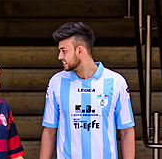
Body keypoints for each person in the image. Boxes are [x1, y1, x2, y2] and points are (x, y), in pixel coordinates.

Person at [39, 22, 135, 159]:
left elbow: (126, 131)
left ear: (80, 51)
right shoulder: (56, 82)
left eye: (64, 51)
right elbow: (49, 131)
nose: (59, 57)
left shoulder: (116, 82)